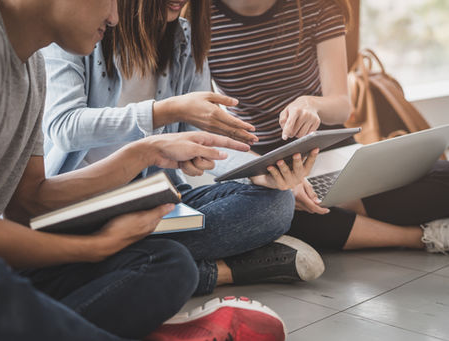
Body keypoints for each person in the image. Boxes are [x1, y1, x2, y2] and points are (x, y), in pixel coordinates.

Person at [0, 0, 286, 340]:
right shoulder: (52, 47)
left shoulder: (33, 68)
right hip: (58, 227)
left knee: (172, 265)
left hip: (124, 205)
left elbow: (28, 201)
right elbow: (65, 128)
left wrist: (256, 170)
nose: (115, 17)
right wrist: (97, 247)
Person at [41, 0, 326, 295]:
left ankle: (112, 264)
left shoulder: (184, 37)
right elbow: (64, 127)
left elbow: (201, 133)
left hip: (154, 198)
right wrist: (166, 110)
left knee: (277, 204)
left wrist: (261, 170)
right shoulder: (75, 32)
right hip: (83, 205)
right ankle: (211, 272)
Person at [208, 0, 449, 253]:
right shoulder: (199, 19)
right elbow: (203, 122)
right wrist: (266, 178)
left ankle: (345, 207)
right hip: (263, 164)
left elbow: (342, 106)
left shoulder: (317, 6)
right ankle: (420, 236)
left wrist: (311, 103)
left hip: (331, 149)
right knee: (274, 211)